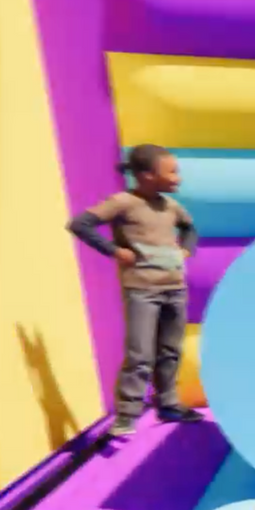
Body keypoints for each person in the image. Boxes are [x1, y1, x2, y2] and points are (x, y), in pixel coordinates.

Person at [66, 143, 204, 437]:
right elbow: (81, 224)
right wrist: (114, 250)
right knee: (140, 353)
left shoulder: (170, 206)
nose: (177, 178)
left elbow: (190, 229)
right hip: (142, 289)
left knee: (170, 350)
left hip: (174, 288)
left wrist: (186, 251)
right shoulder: (123, 202)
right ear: (146, 175)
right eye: (172, 172)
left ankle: (167, 402)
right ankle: (127, 413)